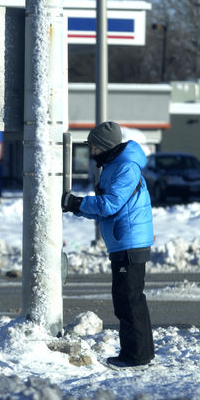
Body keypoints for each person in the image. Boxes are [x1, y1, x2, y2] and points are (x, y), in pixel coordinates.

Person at [62, 121, 155, 369]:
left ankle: (135, 357)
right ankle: (142, 354)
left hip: (129, 241)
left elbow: (109, 204)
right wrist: (78, 208)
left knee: (128, 300)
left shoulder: (125, 167)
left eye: (94, 147)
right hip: (124, 240)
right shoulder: (114, 166)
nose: (92, 152)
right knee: (131, 299)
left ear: (105, 146)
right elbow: (106, 208)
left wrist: (77, 204)